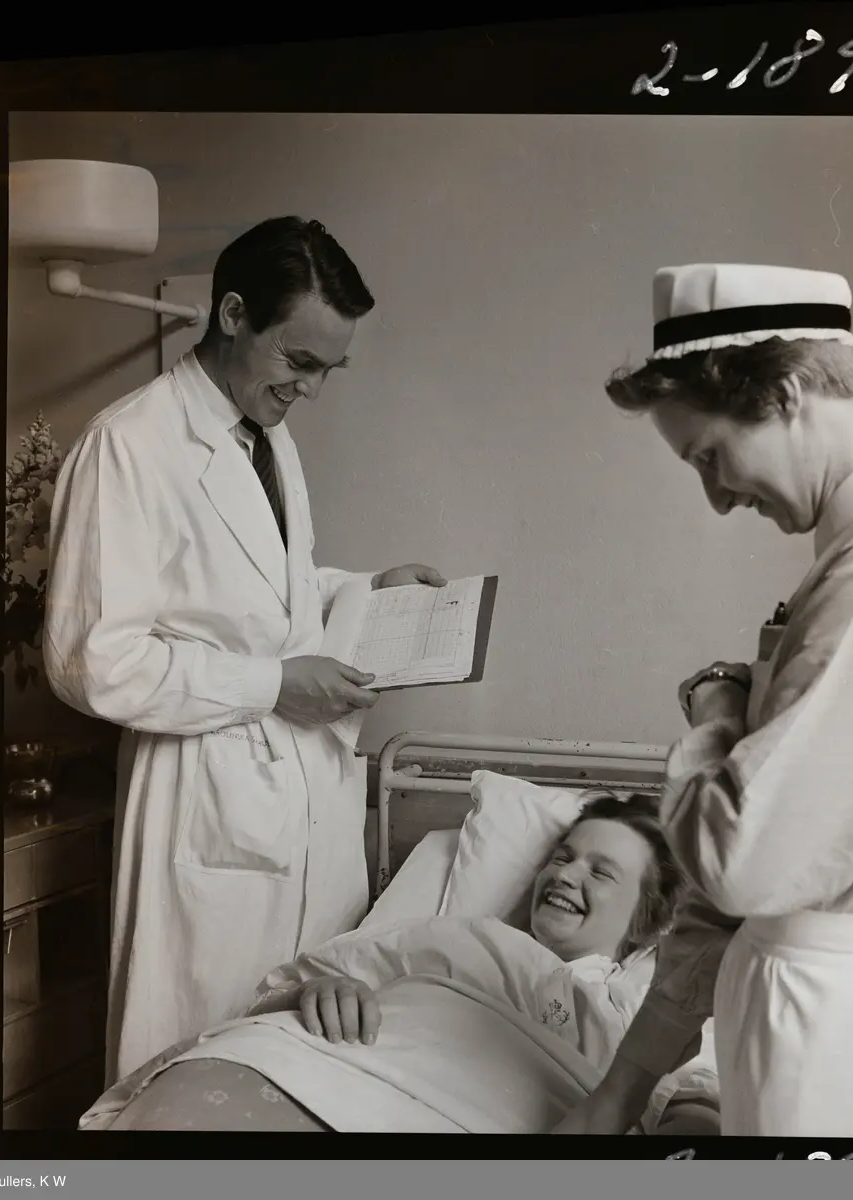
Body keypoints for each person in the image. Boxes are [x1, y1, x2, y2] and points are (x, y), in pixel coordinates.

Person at [552, 263, 853, 1139]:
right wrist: (620, 1090)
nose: (717, 498)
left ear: (787, 394)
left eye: (709, 456)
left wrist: (716, 715)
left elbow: (738, 864)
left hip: (836, 1035)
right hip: (828, 1007)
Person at [43, 216, 446, 1085]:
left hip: (297, 803)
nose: (312, 388)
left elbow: (260, 593)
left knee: (306, 1076)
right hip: (207, 799)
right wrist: (270, 687)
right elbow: (89, 662)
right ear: (232, 314)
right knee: (185, 1078)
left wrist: (365, 588)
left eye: (328, 369)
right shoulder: (130, 445)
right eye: (298, 361)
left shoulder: (263, 434)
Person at [78, 793, 717, 1134]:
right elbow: (285, 986)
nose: (567, 875)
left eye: (601, 873)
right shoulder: (461, 938)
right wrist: (324, 991)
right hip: (305, 1070)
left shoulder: (646, 1020)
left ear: (649, 921)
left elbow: (688, 1109)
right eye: (563, 857)